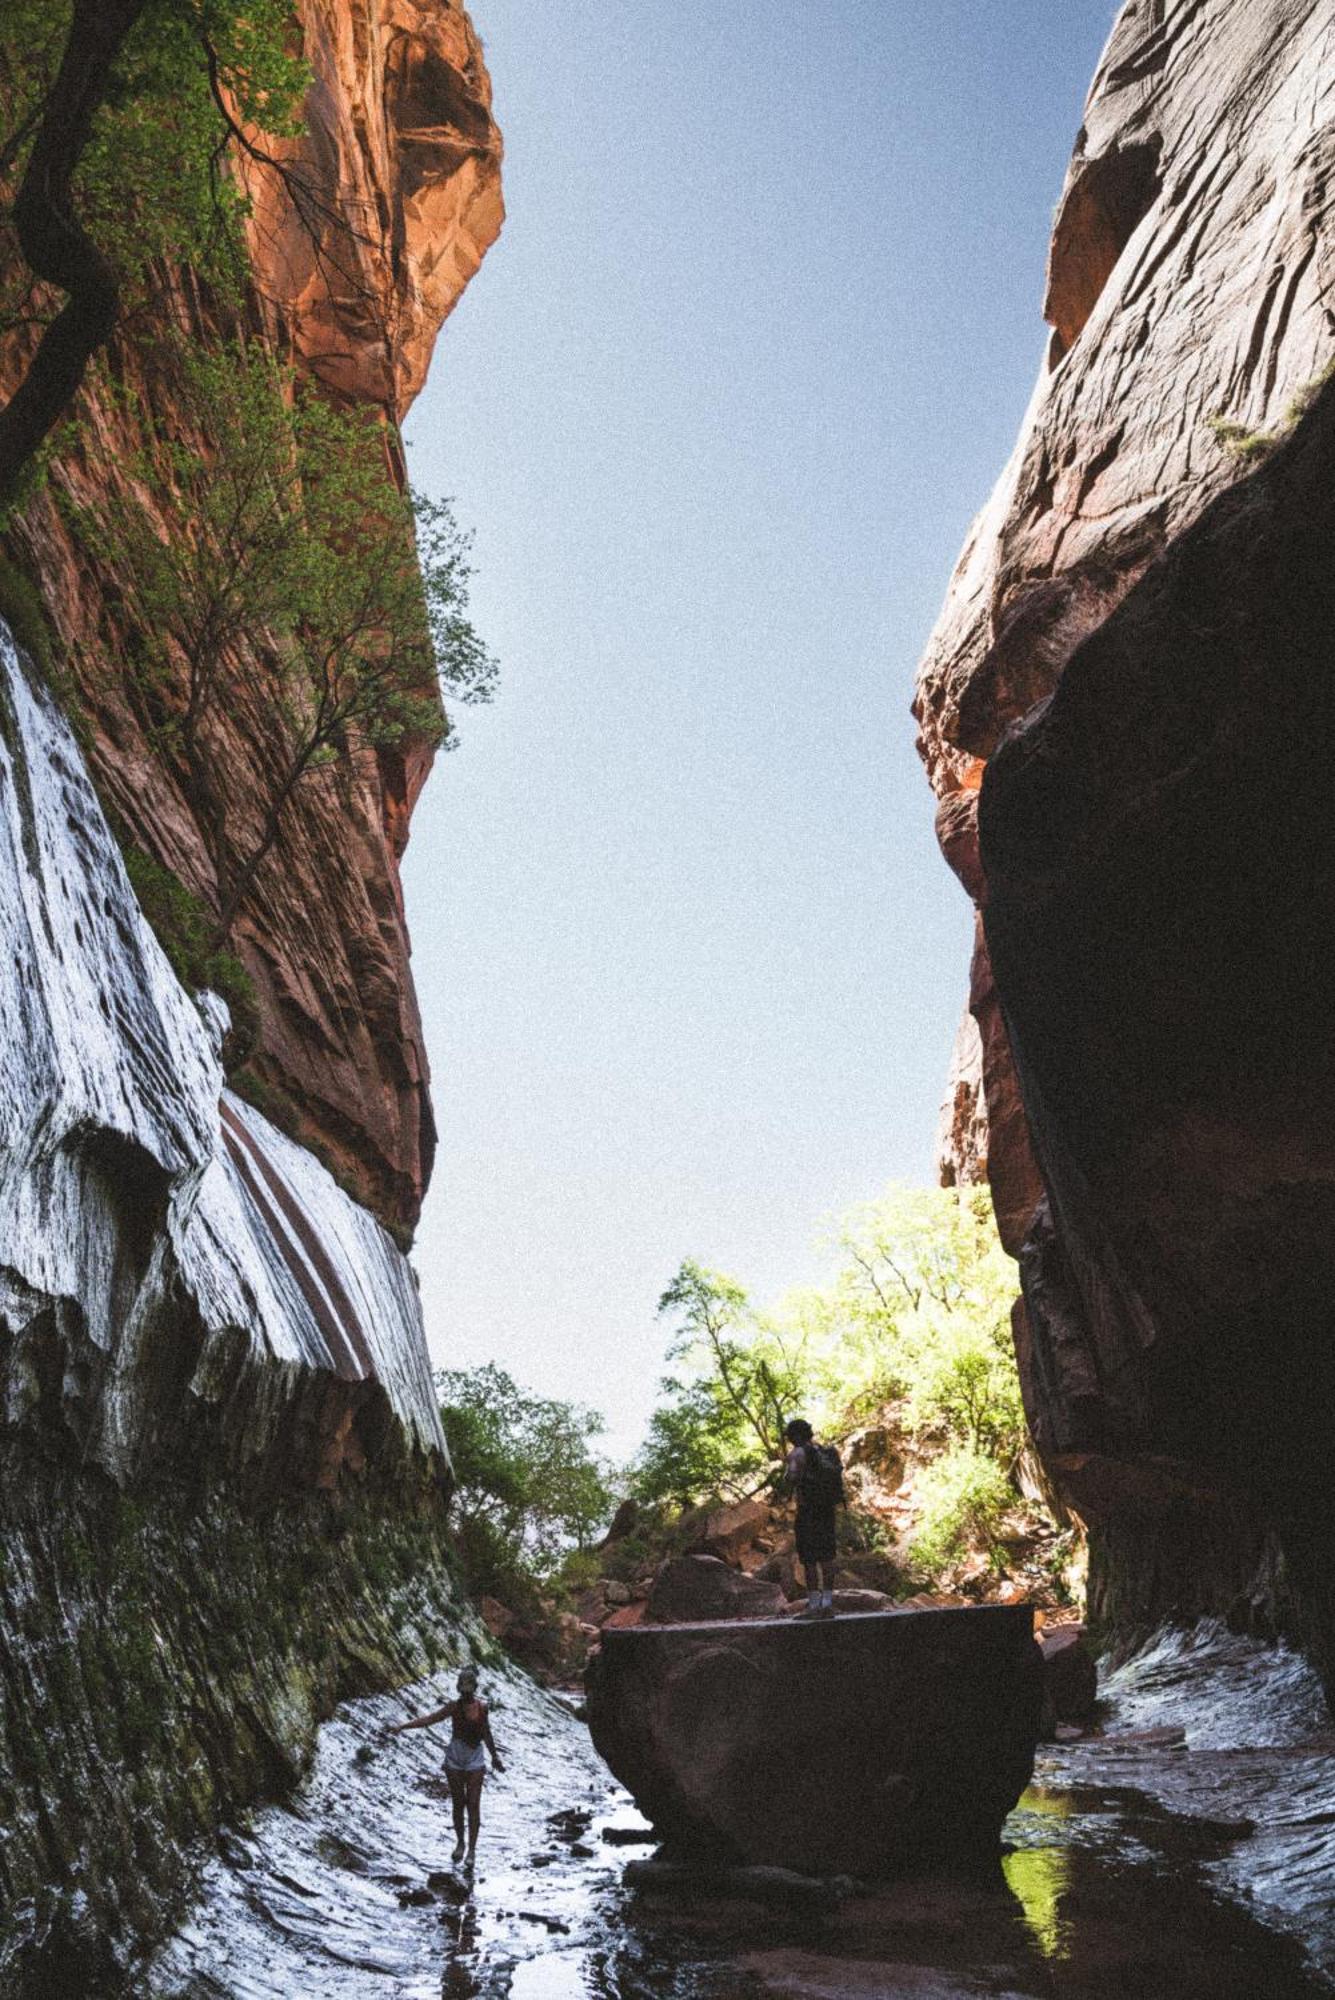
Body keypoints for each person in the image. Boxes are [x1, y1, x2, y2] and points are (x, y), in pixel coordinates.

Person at [387, 1664, 504, 1863]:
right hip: (455, 1758)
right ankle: (460, 1843)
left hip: (475, 1758)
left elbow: (486, 1733)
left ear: (474, 1688)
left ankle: (472, 1851)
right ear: (459, 1689)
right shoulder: (453, 1707)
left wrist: (495, 1757)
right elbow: (430, 1719)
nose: (466, 1692)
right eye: (463, 1688)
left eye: (469, 1688)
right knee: (459, 1804)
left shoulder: (482, 1708)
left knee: (473, 1805)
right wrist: (403, 1726)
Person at [782, 1417, 843, 1618]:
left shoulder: (798, 1453)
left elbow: (790, 1479)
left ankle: (814, 1606)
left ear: (795, 1436)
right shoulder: (826, 1453)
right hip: (827, 1511)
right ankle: (827, 1603)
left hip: (808, 1512)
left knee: (809, 1559)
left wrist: (787, 1472)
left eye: (790, 1436)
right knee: (827, 1557)